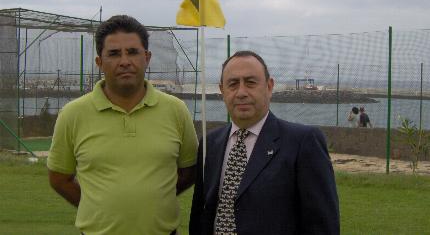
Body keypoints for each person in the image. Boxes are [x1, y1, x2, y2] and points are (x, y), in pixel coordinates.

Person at [47, 15, 198, 235]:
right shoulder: (73, 114)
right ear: (99, 62)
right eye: (114, 54)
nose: (125, 61)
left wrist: (158, 197)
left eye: (133, 52)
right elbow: (59, 178)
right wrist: (95, 206)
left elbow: (189, 172)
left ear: (147, 57)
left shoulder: (176, 110)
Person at [189, 50, 339, 235]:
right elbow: (200, 215)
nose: (241, 92)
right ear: (222, 90)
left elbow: (322, 225)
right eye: (233, 84)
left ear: (269, 86)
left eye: (250, 83)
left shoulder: (303, 142)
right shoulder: (210, 143)